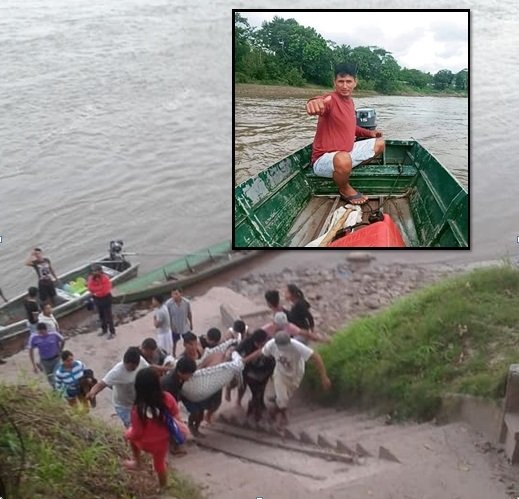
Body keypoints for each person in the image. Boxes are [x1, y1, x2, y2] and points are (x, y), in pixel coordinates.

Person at [306, 62, 385, 205]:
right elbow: (321, 101)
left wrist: (370, 133)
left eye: (348, 81)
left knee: (380, 144)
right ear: (334, 82)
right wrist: (313, 102)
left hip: (346, 153)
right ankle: (344, 187)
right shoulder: (331, 99)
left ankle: (344, 171)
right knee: (343, 159)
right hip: (323, 160)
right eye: (340, 81)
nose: (344, 86)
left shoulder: (350, 102)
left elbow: (351, 127)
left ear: (355, 82)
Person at [124, 367, 187, 491]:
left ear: (138, 387)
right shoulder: (167, 398)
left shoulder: (137, 410)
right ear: (158, 383)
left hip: (144, 444)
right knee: (159, 464)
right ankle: (163, 486)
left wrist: (127, 435)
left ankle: (137, 462)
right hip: (162, 443)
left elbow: (137, 433)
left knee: (132, 440)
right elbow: (176, 414)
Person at [256, 331, 331, 428]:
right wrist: (245, 360)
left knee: (285, 398)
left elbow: (316, 357)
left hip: (296, 374)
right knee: (282, 398)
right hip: (280, 374)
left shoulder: (297, 346)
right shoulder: (271, 345)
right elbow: (262, 353)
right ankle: (283, 417)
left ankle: (274, 412)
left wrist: (324, 377)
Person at [86, 347, 148, 427]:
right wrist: (92, 392)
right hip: (123, 406)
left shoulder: (141, 361)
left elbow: (148, 370)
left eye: (135, 367)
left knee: (142, 423)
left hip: (137, 401)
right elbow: (101, 384)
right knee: (132, 426)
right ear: (125, 362)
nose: (133, 370)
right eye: (131, 368)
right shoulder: (117, 372)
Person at [235, 328, 275, 421]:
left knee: (261, 389)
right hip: (250, 372)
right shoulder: (246, 343)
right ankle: (255, 410)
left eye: (262, 343)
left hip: (265, 370)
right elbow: (236, 352)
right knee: (255, 392)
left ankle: (259, 405)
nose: (260, 346)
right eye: (258, 344)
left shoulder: (270, 342)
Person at [28, 322, 65, 387]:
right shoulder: (34, 337)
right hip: (44, 361)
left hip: (56, 359)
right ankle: (55, 390)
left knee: (56, 375)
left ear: (46, 330)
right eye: (39, 333)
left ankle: (60, 388)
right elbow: (30, 350)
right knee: (49, 377)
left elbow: (63, 340)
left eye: (43, 332)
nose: (41, 334)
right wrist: (33, 365)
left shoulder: (54, 334)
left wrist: (60, 350)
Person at [87, 264, 116, 339]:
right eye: (93, 271)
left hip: (106, 298)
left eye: (96, 271)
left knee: (108, 316)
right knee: (101, 316)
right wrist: (98, 289)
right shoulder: (91, 279)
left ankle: (112, 332)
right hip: (97, 299)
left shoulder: (105, 278)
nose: (95, 272)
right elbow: (90, 288)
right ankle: (104, 330)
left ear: (100, 271)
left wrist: (96, 291)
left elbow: (106, 290)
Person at [166, 287, 193, 357]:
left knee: (188, 341)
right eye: (172, 294)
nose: (174, 296)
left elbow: (189, 313)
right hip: (174, 327)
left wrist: (191, 323)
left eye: (176, 294)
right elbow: (167, 317)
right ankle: (174, 355)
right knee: (174, 342)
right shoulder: (168, 304)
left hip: (184, 325)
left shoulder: (186, 302)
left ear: (181, 294)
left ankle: (188, 352)